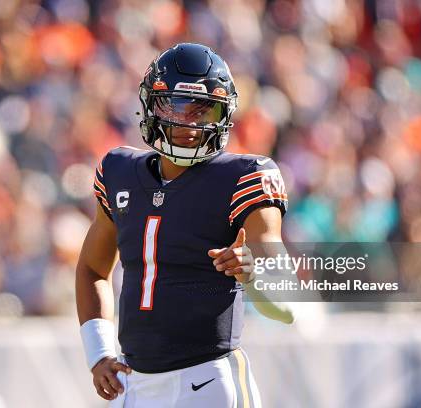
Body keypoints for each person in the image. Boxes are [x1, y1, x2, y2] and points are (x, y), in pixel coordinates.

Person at [75, 43, 291, 407]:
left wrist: (252, 275)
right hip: (134, 384)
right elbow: (93, 269)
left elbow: (285, 303)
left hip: (209, 381)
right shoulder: (118, 171)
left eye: (203, 110)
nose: (188, 122)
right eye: (174, 105)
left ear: (224, 114)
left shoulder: (246, 178)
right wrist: (98, 352)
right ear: (150, 104)